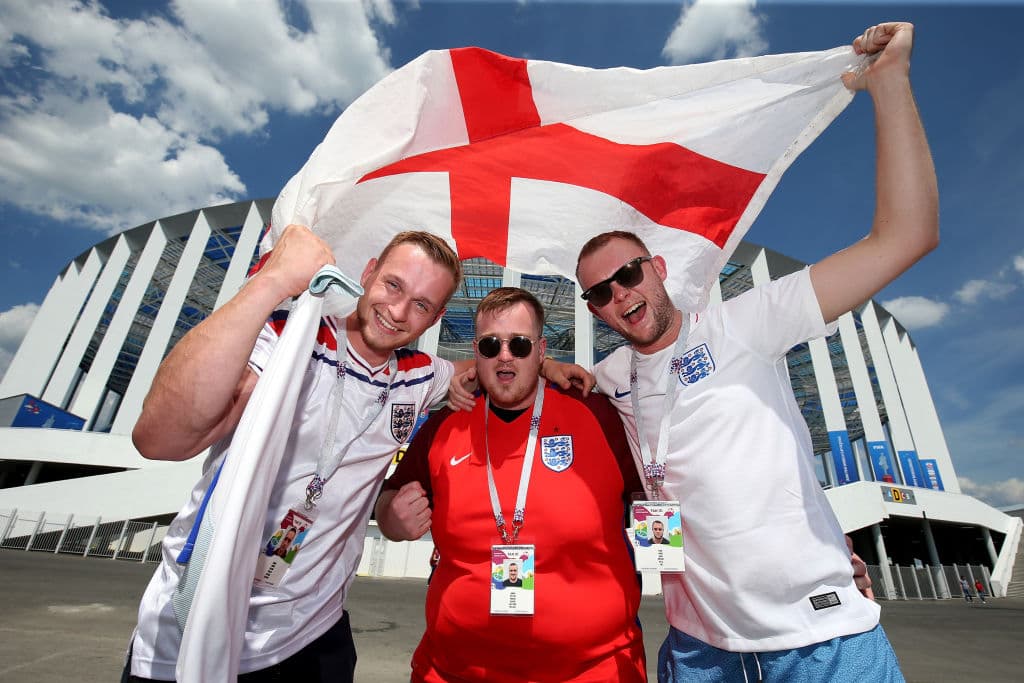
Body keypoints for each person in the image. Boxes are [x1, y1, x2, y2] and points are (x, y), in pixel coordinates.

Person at [574, 22, 936, 682]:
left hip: (822, 641)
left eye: (628, 274)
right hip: (699, 651)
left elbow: (904, 237)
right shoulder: (610, 375)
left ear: (657, 267)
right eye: (599, 291)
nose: (619, 294)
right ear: (593, 308)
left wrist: (890, 83)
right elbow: (531, 373)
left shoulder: (744, 321)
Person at [123, 226, 587, 682]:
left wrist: (540, 361)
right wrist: (270, 282)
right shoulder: (290, 341)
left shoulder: (419, 376)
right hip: (194, 631)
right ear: (367, 273)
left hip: (315, 640)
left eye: (421, 304)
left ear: (435, 317)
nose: (399, 311)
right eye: (393, 285)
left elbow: (491, 364)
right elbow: (160, 440)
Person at [375, 287, 647, 683]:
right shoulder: (444, 425)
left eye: (519, 345)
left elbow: (653, 493)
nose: (505, 355)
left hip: (592, 671)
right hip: (453, 669)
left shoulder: (597, 415)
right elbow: (387, 500)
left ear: (541, 350)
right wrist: (391, 518)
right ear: (476, 351)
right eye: (491, 345)